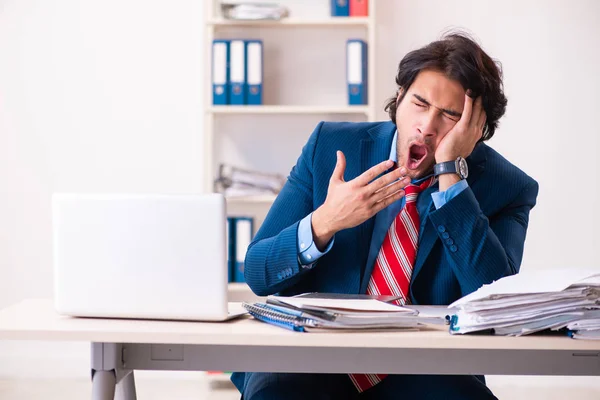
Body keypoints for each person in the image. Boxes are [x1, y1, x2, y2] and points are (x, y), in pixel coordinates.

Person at [231, 32, 539, 400]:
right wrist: (324, 222)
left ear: (476, 127)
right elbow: (258, 273)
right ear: (399, 98)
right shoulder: (330, 145)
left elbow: (493, 303)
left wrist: (452, 177)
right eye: (420, 103)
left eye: (450, 116)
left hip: (425, 366)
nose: (427, 126)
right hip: (312, 353)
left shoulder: (507, 187)